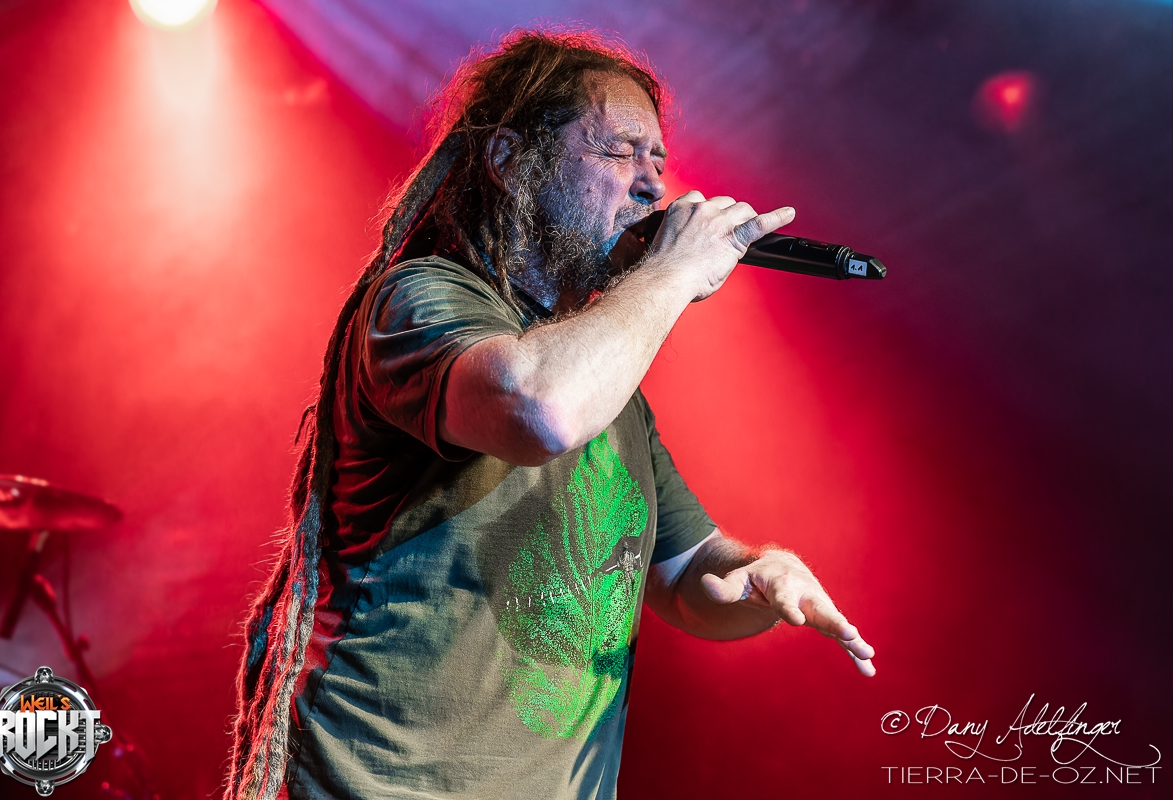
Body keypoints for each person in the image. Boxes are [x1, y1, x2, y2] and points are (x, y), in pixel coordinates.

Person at [224, 29, 875, 800]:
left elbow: (686, 579)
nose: (651, 186)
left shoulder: (612, 393)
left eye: (658, 161)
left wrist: (757, 576)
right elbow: (538, 410)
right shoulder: (420, 298)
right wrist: (672, 272)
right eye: (618, 151)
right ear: (510, 160)